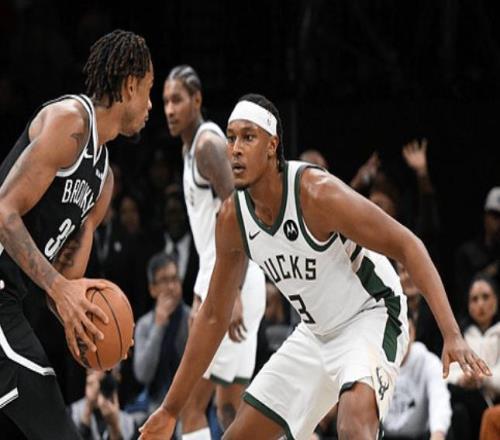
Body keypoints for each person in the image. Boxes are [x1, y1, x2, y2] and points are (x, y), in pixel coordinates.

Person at [140, 94, 489, 440]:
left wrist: (452, 334)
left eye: (248, 137)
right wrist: (170, 409)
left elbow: (408, 245)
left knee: (353, 426)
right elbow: (214, 315)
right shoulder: (232, 218)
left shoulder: (315, 193)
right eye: (231, 138)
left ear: (272, 145)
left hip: (370, 313)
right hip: (315, 332)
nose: (235, 149)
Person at [0, 29, 153, 439]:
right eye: (149, 90)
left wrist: (94, 325)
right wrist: (57, 287)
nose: (150, 105)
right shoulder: (69, 122)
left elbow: (66, 286)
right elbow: (3, 211)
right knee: (55, 424)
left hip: (14, 301)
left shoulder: (103, 183)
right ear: (131, 85)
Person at [162, 66, 265, 438]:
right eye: (165, 102)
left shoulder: (207, 145)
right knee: (229, 407)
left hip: (229, 281)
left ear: (197, 100)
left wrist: (230, 292)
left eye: (177, 100)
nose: (169, 109)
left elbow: (240, 216)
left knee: (190, 407)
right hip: (232, 280)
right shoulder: (192, 147)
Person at [133, 252, 190, 417]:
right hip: (155, 404)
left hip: (189, 402)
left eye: (174, 279)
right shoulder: (144, 325)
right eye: (164, 280)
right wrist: (159, 326)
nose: (171, 287)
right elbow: (143, 374)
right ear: (152, 289)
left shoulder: (191, 318)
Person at [446, 274, 500, 440]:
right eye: (474, 299)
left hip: (492, 401)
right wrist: (463, 379)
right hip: (464, 398)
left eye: (485, 297)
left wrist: (482, 377)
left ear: (496, 300)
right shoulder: (459, 336)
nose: (480, 304)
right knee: (458, 410)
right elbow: (447, 372)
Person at [383, 312, 452, 440]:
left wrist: (438, 434)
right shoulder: (372, 362)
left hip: (418, 437)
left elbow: (439, 400)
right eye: (393, 332)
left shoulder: (428, 362)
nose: (400, 339)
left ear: (413, 332)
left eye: (405, 331)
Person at [454, 186, 500, 317]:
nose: (498, 222)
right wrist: (488, 274)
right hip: (471, 322)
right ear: (486, 216)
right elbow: (462, 296)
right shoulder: (467, 253)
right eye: (495, 216)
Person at [70, 368, 136, 440]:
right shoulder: (72, 413)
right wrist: (88, 408)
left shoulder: (129, 423)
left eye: (109, 371)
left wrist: (114, 427)